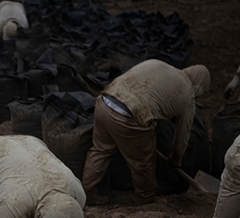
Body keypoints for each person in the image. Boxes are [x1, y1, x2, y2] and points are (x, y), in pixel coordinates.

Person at [80, 60, 210, 205]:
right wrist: (175, 159)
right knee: (142, 163)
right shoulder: (187, 96)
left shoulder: (159, 64)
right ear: (199, 88)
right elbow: (182, 138)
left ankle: (89, 193)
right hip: (128, 116)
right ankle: (145, 199)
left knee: (100, 150)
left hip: (104, 102)